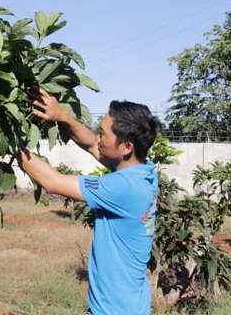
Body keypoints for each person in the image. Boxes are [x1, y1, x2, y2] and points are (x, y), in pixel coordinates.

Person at [18, 87, 160, 314]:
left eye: (103, 133)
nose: (97, 137)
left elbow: (52, 182)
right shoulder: (145, 171)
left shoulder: (123, 188)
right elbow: (92, 146)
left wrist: (9, 140)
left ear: (126, 147)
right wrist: (62, 116)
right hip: (130, 306)